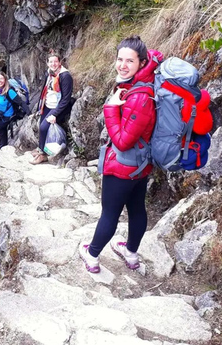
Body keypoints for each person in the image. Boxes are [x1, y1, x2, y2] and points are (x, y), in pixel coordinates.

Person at [78, 36, 163, 273]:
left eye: (130, 61)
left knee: (110, 214)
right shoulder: (143, 84)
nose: (122, 65)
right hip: (141, 165)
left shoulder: (139, 97)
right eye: (119, 59)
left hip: (124, 165)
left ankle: (92, 255)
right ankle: (131, 254)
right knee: (137, 210)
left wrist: (110, 109)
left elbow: (123, 142)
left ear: (142, 63)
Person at [30, 50, 73, 165]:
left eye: (55, 61)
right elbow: (45, 89)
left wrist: (55, 114)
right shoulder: (49, 72)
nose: (53, 64)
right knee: (41, 126)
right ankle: (41, 148)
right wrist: (40, 106)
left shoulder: (65, 76)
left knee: (44, 127)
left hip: (59, 107)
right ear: (47, 63)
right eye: (51, 62)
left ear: (59, 62)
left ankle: (43, 156)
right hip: (48, 105)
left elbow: (66, 99)